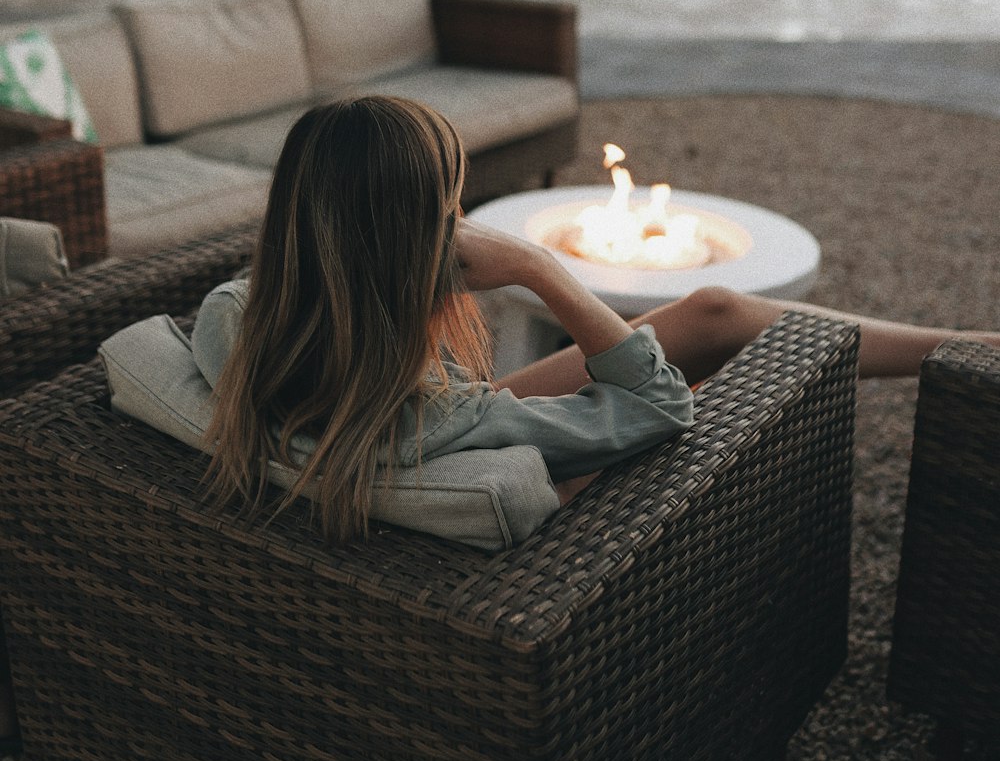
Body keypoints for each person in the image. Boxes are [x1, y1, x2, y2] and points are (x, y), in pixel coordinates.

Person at [199, 96, 1000, 545]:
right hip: (498, 506)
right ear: (416, 242)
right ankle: (968, 355)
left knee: (711, 309)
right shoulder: (456, 419)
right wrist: (540, 268)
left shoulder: (229, 318)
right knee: (706, 335)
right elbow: (660, 405)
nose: (462, 218)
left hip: (378, 422)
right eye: (450, 206)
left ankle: (963, 349)